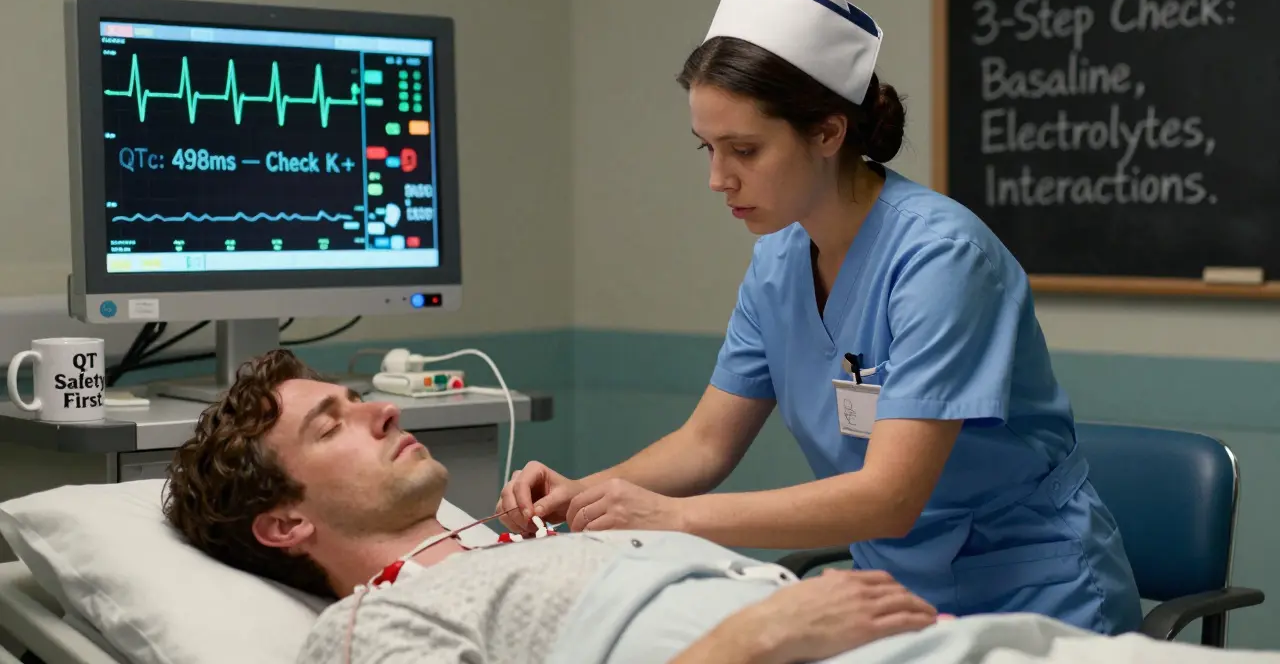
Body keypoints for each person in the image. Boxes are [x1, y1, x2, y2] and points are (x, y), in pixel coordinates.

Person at [497, 0, 1144, 635]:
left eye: (744, 150)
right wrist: (585, 495)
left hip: (1035, 597)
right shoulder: (779, 261)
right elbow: (704, 444)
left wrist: (676, 518)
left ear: (829, 133)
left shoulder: (942, 259)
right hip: (896, 595)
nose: (718, 179)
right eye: (708, 149)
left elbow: (890, 497)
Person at [161, 349, 1278, 664]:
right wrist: (748, 641)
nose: (378, 409)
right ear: (284, 525)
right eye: (332, 424)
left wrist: (602, 509)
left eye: (356, 397)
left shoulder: (513, 541)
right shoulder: (369, 625)